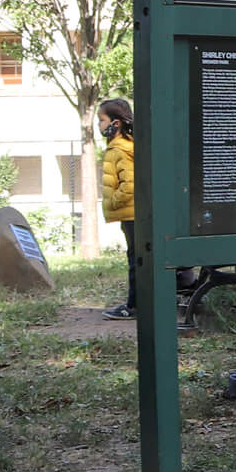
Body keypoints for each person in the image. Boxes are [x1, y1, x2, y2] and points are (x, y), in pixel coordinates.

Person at [100, 98, 138, 319]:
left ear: (116, 123)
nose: (99, 125)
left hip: (131, 213)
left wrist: (112, 202)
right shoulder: (126, 146)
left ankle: (133, 307)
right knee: (136, 259)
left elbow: (129, 186)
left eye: (102, 120)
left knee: (135, 261)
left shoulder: (120, 150)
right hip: (132, 213)